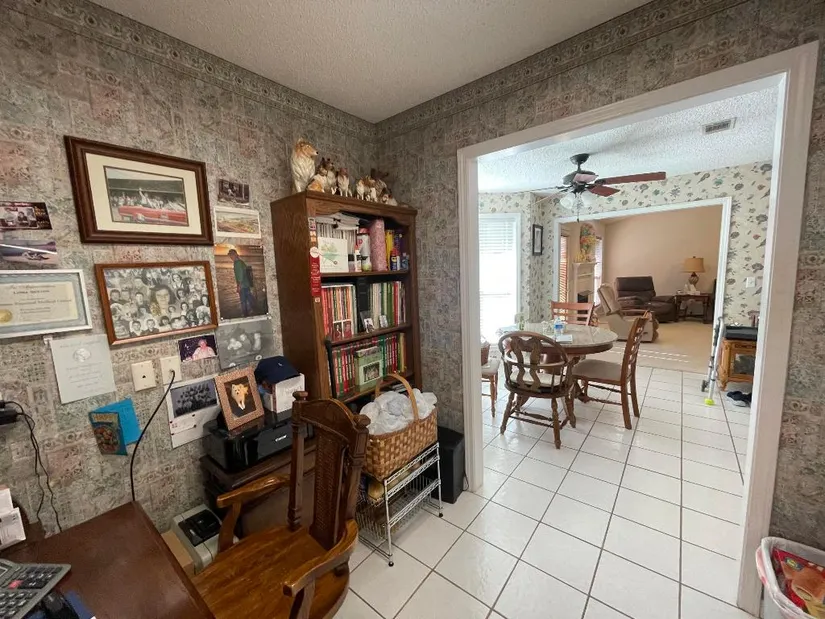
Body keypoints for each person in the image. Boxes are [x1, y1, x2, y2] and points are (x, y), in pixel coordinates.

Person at [228, 249, 255, 317]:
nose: (231, 257)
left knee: (243, 301)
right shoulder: (241, 262)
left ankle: (245, 314)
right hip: (247, 284)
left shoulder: (237, 263)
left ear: (235, 254)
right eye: (230, 256)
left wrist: (238, 286)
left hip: (242, 285)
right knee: (249, 298)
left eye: (231, 255)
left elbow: (240, 276)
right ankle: (254, 309)